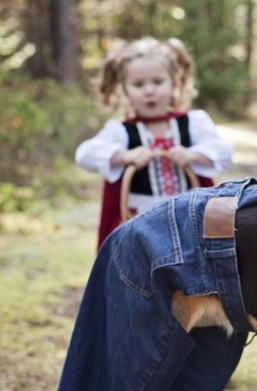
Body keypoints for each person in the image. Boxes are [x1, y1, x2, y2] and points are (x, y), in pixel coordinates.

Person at [76, 37, 234, 248]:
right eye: (138, 84)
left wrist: (192, 155)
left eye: (157, 82)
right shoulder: (121, 131)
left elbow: (224, 152)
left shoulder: (193, 122)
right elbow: (84, 155)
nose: (149, 91)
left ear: (174, 82)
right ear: (125, 89)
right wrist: (124, 156)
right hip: (140, 223)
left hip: (189, 220)